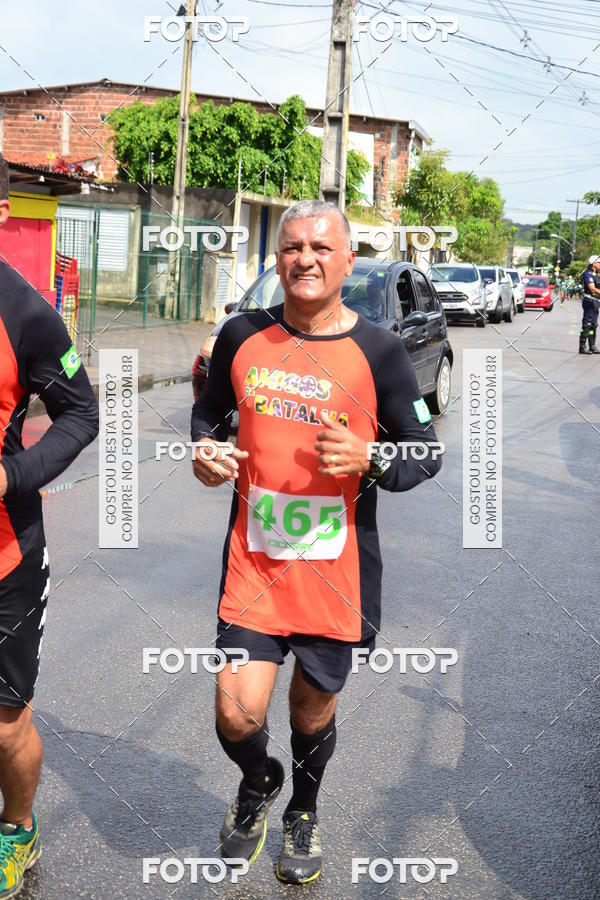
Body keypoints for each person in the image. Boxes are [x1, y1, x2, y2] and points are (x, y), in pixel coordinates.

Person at [191, 199, 443, 884]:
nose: (305, 259)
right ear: (278, 259)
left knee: (310, 708)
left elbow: (426, 452)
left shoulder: (380, 351)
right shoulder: (242, 334)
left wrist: (373, 457)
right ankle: (259, 780)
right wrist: (205, 450)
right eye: (292, 247)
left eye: (321, 248)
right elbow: (208, 414)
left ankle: (303, 809)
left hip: (338, 573)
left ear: (347, 260)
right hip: (254, 563)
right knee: (235, 713)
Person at [0, 153, 99, 897]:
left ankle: (17, 829)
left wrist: (13, 476)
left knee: (4, 724)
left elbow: (81, 414)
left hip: (3, 555)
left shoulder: (25, 311)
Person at [579, 255, 600, 354]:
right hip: (589, 301)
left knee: (594, 325)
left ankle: (592, 346)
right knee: (587, 324)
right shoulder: (588, 274)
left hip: (596, 302)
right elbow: (592, 288)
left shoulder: (597, 274)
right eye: (599, 263)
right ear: (594, 264)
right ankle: (582, 347)